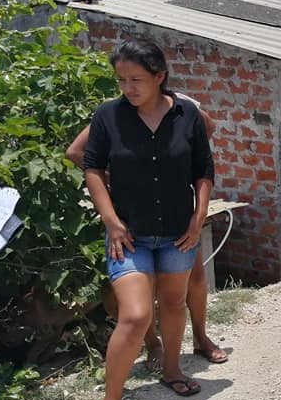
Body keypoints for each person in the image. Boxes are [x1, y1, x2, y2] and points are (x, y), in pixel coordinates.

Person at [83, 38, 214, 400]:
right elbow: (91, 168)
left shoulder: (187, 115)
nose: (128, 88)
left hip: (179, 233)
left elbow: (204, 170)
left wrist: (199, 217)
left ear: (160, 77)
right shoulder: (108, 116)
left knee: (174, 303)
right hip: (129, 236)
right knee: (136, 315)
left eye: (136, 79)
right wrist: (111, 222)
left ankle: (172, 369)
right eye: (121, 80)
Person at [67, 102, 229, 368]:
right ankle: (154, 344)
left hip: (175, 215)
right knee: (143, 289)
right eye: (125, 81)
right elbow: (75, 152)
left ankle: (200, 338)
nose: (131, 86)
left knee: (196, 279)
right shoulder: (116, 112)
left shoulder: (180, 106)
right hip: (133, 216)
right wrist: (117, 174)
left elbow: (208, 127)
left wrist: (180, 159)